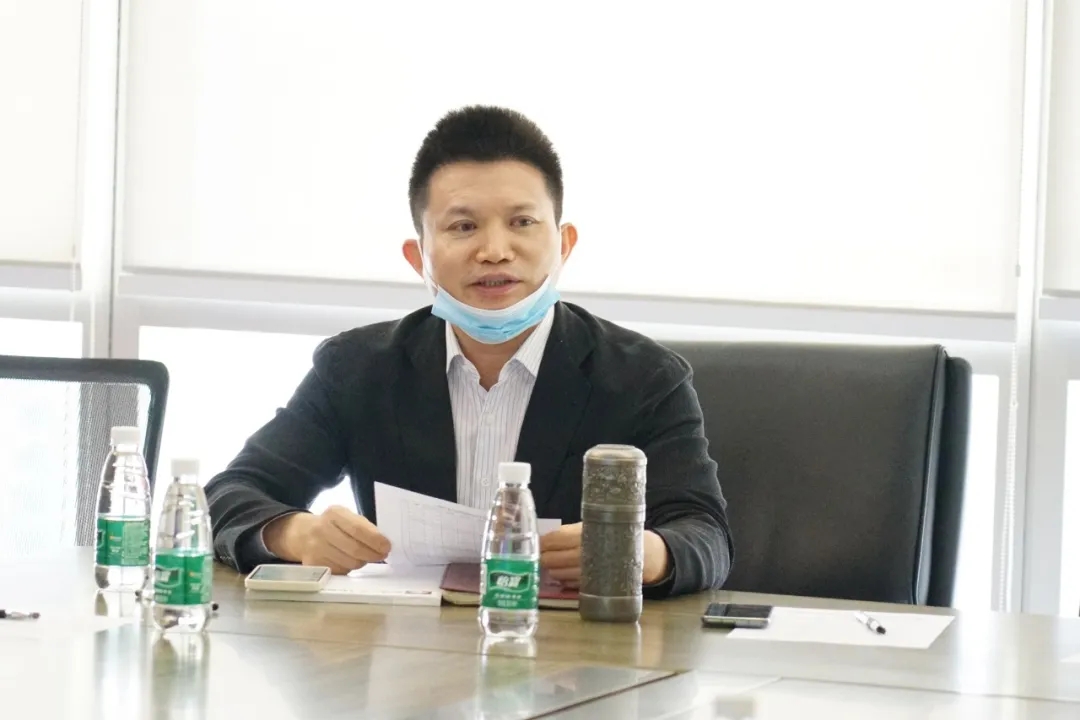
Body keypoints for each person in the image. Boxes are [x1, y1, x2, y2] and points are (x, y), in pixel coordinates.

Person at [205, 105, 732, 597]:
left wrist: (643, 554)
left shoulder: (644, 378)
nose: (495, 251)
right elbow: (231, 494)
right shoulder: (357, 369)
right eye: (463, 227)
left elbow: (704, 532)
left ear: (564, 243)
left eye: (522, 222)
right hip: (408, 653)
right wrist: (295, 534)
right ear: (419, 257)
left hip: (577, 650)